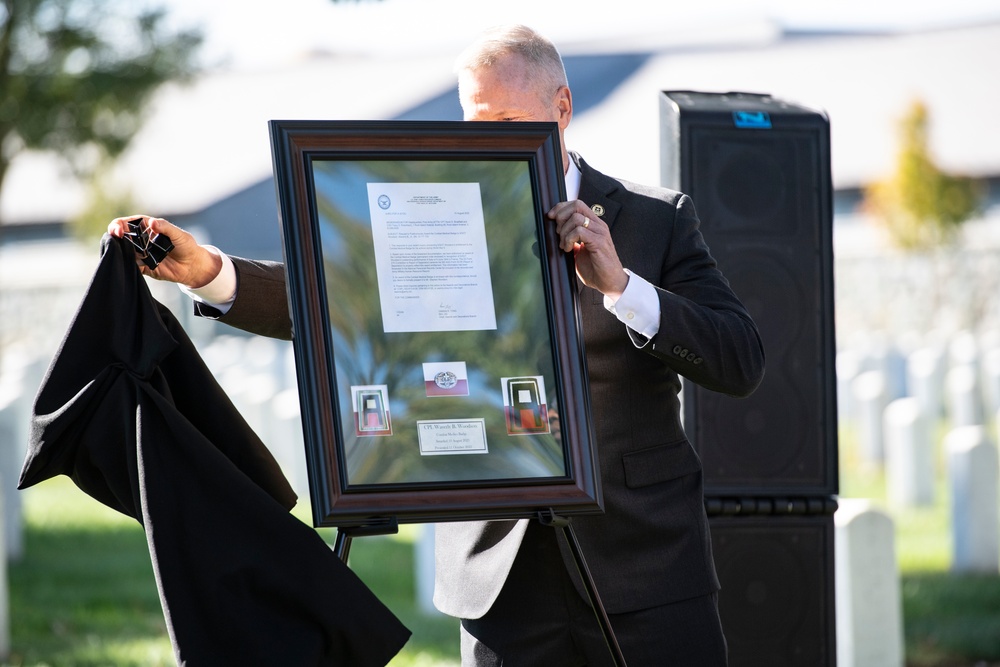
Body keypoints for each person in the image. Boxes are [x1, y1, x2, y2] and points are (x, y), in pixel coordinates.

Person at [109, 24, 764, 666]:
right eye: (473, 122)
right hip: (499, 580)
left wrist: (622, 286)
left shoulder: (656, 219)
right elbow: (327, 298)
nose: (483, 142)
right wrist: (208, 271)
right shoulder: (427, 209)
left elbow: (740, 358)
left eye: (504, 120)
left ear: (561, 107)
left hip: (644, 564)